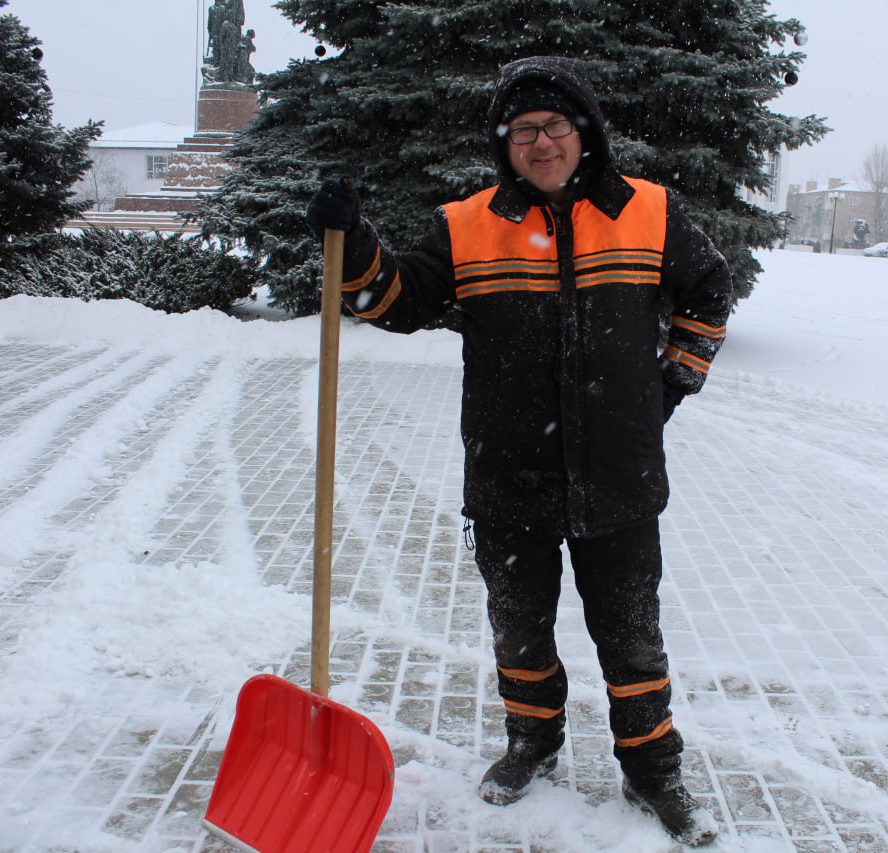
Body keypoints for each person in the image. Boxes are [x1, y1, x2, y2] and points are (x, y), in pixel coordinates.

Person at [306, 55, 731, 847]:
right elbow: (392, 300)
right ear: (505, 143)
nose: (542, 142)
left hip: (618, 477)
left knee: (632, 636)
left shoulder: (648, 211)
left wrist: (669, 385)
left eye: (555, 125)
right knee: (519, 630)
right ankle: (532, 740)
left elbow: (710, 288)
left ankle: (652, 769)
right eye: (524, 129)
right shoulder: (468, 224)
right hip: (509, 475)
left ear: (584, 131)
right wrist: (353, 240)